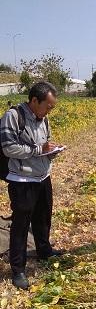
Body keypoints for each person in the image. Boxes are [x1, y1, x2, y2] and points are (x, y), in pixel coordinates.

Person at [0, 81, 64, 289]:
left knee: (43, 217)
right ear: (34, 100)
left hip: (42, 176)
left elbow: (45, 143)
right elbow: (9, 148)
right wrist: (39, 150)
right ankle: (18, 269)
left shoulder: (43, 118)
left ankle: (44, 250)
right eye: (48, 106)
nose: (49, 111)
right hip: (22, 179)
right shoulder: (13, 116)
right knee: (20, 224)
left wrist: (51, 152)